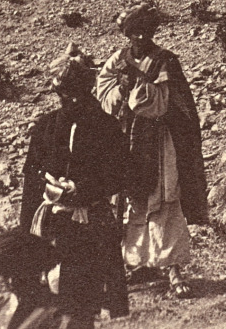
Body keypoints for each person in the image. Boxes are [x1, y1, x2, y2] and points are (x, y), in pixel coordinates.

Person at [19, 51, 133, 325]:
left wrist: (83, 189)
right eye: (64, 94)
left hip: (92, 226)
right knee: (54, 300)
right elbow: (31, 183)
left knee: (83, 304)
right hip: (53, 226)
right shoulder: (46, 127)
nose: (70, 101)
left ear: (87, 90)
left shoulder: (106, 126)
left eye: (76, 94)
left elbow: (121, 175)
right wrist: (27, 238)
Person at [102, 3, 204, 294]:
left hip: (158, 141)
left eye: (145, 31)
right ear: (127, 34)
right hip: (126, 140)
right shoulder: (118, 60)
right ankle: (138, 263)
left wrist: (145, 92)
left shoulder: (165, 60)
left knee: (164, 200)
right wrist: (121, 89)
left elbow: (174, 103)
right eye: (134, 32)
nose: (140, 37)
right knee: (132, 201)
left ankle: (173, 269)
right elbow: (104, 95)